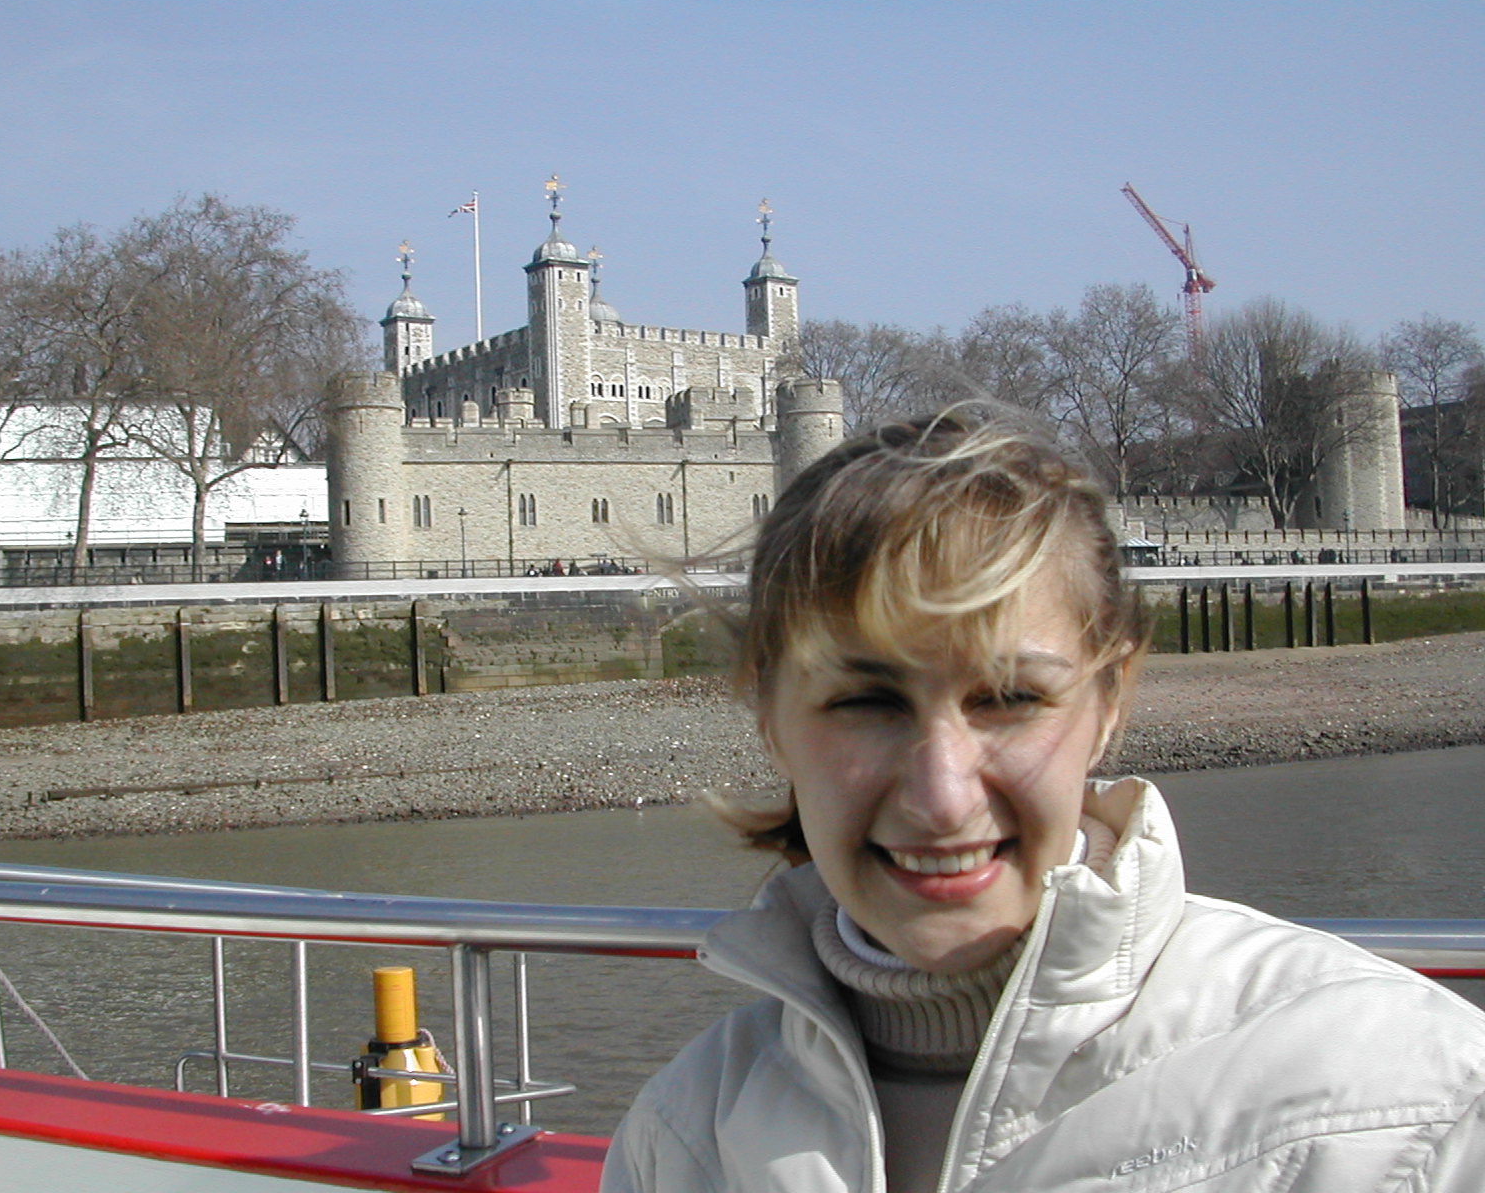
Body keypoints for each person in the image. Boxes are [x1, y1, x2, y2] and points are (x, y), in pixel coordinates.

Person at [601, 404, 1485, 1192]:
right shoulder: (680, 1141)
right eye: (866, 702)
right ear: (769, 715)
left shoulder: (1416, 1104)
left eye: (1010, 698)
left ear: (1111, 700)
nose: (942, 798)